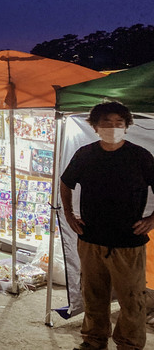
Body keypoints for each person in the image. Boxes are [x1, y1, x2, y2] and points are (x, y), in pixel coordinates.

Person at [61, 102, 154, 350]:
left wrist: (152, 219)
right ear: (95, 126)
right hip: (91, 238)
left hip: (129, 241)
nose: (112, 128)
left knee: (132, 298)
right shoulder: (85, 154)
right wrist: (69, 214)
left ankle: (129, 343)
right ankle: (93, 339)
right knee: (93, 296)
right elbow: (65, 182)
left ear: (126, 126)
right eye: (106, 123)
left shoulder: (140, 156)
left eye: (118, 124)